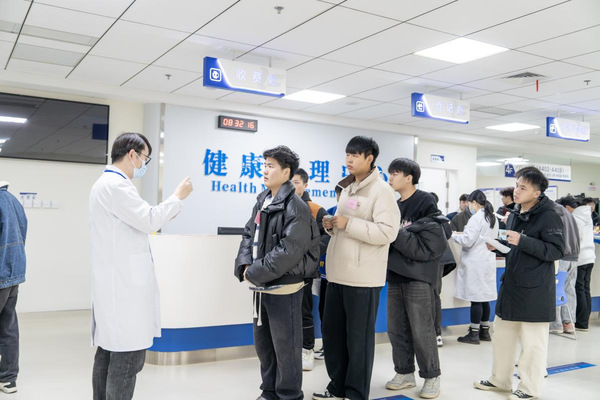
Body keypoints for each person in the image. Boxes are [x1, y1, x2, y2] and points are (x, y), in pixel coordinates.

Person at [89, 132, 193, 400]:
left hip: (116, 287)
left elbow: (141, 221)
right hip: (124, 292)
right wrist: (178, 197)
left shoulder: (105, 184)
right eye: (145, 158)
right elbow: (149, 220)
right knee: (126, 361)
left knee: (107, 356)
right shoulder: (117, 186)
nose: (144, 164)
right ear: (132, 154)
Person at [313, 136, 399, 400]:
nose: (349, 159)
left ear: (370, 158)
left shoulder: (382, 191)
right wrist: (331, 225)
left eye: (355, 155)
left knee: (358, 341)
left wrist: (348, 224)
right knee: (334, 336)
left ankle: (355, 393)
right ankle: (337, 387)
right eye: (347, 154)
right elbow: (344, 226)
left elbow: (388, 232)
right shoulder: (348, 188)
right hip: (337, 275)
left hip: (363, 279)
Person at [235, 146, 320, 400]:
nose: (265, 170)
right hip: (261, 286)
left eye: (271, 166)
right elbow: (248, 234)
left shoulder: (296, 206)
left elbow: (288, 250)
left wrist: (254, 272)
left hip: (284, 287)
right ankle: (269, 391)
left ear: (286, 172)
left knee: (286, 349)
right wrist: (244, 265)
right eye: (264, 165)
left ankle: (290, 395)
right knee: (265, 346)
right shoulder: (262, 200)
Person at [474, 166, 564, 400]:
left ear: (537, 193)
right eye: (516, 185)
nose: (516, 191)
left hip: (535, 289)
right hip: (512, 284)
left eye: (523, 188)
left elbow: (555, 250)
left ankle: (529, 388)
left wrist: (522, 240)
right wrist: (500, 247)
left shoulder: (549, 215)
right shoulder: (515, 213)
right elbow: (515, 245)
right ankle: (500, 380)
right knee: (502, 336)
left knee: (533, 343)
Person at [384, 158, 449, 399]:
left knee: (422, 330)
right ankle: (404, 372)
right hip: (396, 274)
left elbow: (430, 239)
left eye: (395, 173)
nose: (390, 177)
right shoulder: (394, 205)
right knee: (396, 328)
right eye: (390, 173)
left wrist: (398, 233)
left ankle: (431, 376)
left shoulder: (424, 201)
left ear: (409, 177)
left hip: (419, 276)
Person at [451, 190, 499, 345]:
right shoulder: (492, 217)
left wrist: (452, 235)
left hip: (476, 261)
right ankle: (485, 331)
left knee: (476, 300)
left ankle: (473, 333)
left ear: (474, 203)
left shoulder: (476, 218)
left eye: (469, 203)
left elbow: (467, 240)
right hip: (487, 261)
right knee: (484, 298)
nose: (468, 206)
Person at [291, 168, 327, 371]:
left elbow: (328, 236)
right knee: (285, 311)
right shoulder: (278, 205)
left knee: (303, 310)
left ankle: (307, 349)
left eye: (296, 182)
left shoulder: (315, 209)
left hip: (304, 270)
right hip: (282, 270)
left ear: (305, 185)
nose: (292, 186)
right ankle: (289, 349)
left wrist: (309, 253)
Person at [0, 182, 27, 394]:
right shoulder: (14, 201)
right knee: (8, 326)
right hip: (13, 273)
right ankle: (8, 379)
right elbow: (23, 233)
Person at [558, 197, 596, 332]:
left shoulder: (574, 218)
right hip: (589, 256)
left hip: (578, 257)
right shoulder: (587, 217)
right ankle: (582, 322)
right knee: (584, 289)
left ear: (567, 207)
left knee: (576, 289)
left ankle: (578, 322)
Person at [551, 197, 583, 334]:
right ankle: (569, 323)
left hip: (562, 256)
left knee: (556, 289)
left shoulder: (557, 216)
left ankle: (556, 325)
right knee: (569, 289)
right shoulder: (572, 217)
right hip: (573, 257)